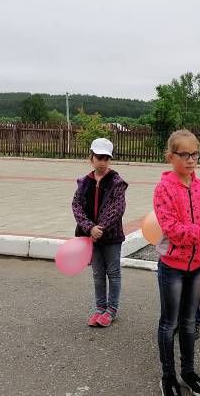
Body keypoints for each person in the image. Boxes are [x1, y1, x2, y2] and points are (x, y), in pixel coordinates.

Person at [154, 129, 200, 396]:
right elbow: (174, 230)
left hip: (197, 267)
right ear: (170, 156)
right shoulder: (163, 189)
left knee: (188, 322)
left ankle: (188, 372)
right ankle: (168, 376)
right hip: (172, 267)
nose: (190, 160)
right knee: (169, 323)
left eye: (195, 154)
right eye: (183, 154)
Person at [72, 137, 128, 328]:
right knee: (97, 273)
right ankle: (99, 307)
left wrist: (100, 228)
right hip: (91, 236)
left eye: (106, 158)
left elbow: (117, 208)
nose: (103, 162)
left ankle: (111, 309)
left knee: (113, 273)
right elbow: (77, 206)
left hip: (111, 236)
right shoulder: (84, 182)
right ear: (91, 158)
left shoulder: (117, 182)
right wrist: (89, 228)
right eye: (99, 157)